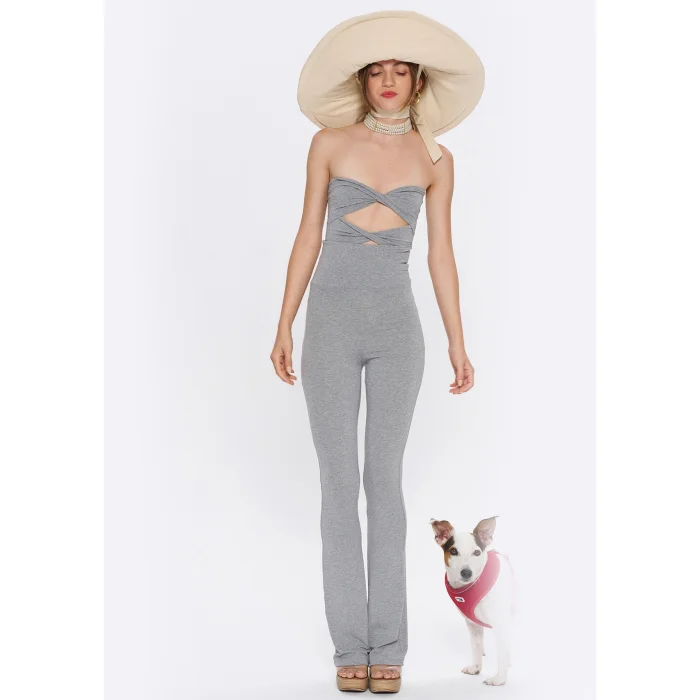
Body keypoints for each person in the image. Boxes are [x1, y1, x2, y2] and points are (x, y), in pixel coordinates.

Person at [270, 10, 485, 693]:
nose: (388, 81)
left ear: (418, 81)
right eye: (376, 71)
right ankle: (350, 649)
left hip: (399, 334)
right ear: (362, 80)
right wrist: (285, 323)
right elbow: (308, 233)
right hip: (330, 327)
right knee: (338, 486)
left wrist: (457, 342)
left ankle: (388, 643)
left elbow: (441, 254)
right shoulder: (329, 143)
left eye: (400, 70)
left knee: (383, 486)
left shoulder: (436, 160)